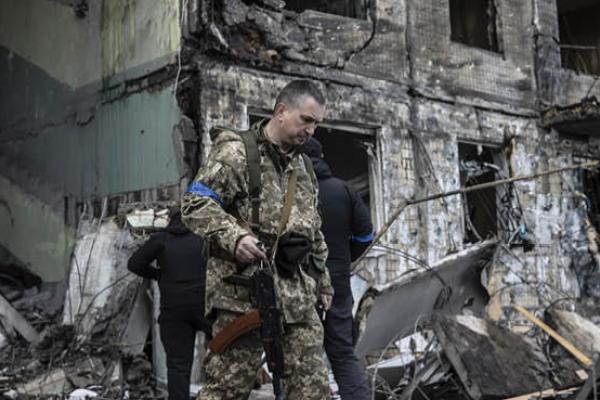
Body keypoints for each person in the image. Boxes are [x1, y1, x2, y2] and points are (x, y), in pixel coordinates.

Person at [181, 80, 334, 399]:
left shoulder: (303, 166)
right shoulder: (237, 151)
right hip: (245, 295)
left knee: (314, 390)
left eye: (316, 123)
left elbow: (313, 230)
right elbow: (195, 203)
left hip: (295, 297)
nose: (311, 130)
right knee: (226, 389)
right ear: (281, 111)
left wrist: (323, 281)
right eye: (306, 120)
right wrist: (234, 238)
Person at [302, 137, 374, 400]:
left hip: (299, 284)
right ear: (322, 157)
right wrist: (346, 258)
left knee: (299, 357)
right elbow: (366, 235)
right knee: (343, 353)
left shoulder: (289, 193)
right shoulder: (344, 190)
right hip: (339, 281)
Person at [127, 208, 212, 400]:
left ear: (169, 219)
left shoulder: (161, 239)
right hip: (205, 307)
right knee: (221, 357)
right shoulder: (204, 237)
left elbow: (134, 264)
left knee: (178, 366)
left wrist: (159, 275)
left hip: (173, 312)